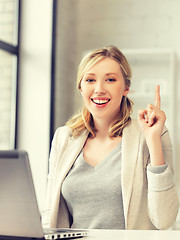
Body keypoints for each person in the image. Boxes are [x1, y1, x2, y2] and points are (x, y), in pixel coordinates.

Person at [42, 45, 179, 230]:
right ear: (80, 87)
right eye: (90, 79)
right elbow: (50, 213)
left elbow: (164, 219)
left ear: (126, 88)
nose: (99, 89)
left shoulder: (152, 134)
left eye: (110, 80)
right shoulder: (63, 138)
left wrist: (153, 141)